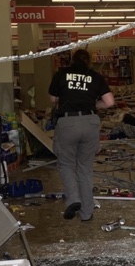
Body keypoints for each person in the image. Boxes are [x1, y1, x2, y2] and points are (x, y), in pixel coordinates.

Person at [48, 48, 114, 221]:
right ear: (89, 61)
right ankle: (86, 213)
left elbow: (53, 99)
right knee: (85, 169)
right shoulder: (95, 76)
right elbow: (109, 102)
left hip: (68, 122)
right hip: (91, 122)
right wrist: (94, 105)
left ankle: (73, 200)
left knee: (66, 164)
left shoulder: (61, 74)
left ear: (72, 60)